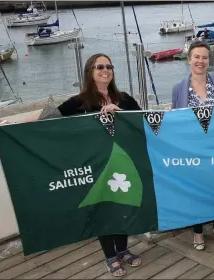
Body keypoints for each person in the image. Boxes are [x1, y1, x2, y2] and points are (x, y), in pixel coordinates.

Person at [57, 53, 142, 277]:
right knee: (103, 210)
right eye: (99, 67)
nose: (106, 70)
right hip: (97, 166)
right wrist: (10, 125)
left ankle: (123, 250)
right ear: (90, 72)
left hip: (124, 165)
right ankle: (110, 256)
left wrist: (120, 112)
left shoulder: (124, 98)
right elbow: (49, 119)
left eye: (109, 66)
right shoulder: (80, 101)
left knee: (123, 206)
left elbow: (143, 120)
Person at [171, 40, 214, 249]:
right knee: (195, 188)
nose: (201, 61)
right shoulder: (178, 88)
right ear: (189, 59)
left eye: (205, 57)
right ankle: (197, 230)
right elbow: (176, 121)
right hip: (192, 148)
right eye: (196, 57)